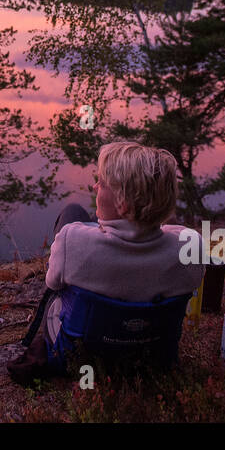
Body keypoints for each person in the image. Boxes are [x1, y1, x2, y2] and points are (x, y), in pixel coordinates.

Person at [42, 140, 206, 349]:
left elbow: (53, 284)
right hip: (152, 350)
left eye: (101, 182)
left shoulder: (72, 239)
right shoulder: (191, 247)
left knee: (73, 211)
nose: (94, 187)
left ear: (124, 202)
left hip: (84, 347)